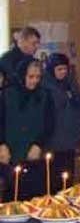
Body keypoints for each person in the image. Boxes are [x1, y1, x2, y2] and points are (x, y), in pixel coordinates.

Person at [0, 59, 54, 199]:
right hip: (11, 151)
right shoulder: (6, 94)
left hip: (34, 152)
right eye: (31, 77)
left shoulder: (45, 95)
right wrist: (2, 144)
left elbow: (50, 124)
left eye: (38, 77)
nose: (34, 81)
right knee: (12, 195)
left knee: (34, 194)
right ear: (22, 75)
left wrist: (38, 144)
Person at [42, 53, 80, 190]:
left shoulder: (71, 82)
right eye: (59, 69)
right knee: (53, 178)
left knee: (68, 176)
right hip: (52, 139)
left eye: (65, 69)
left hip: (70, 138)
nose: (63, 72)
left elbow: (79, 103)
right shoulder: (45, 85)